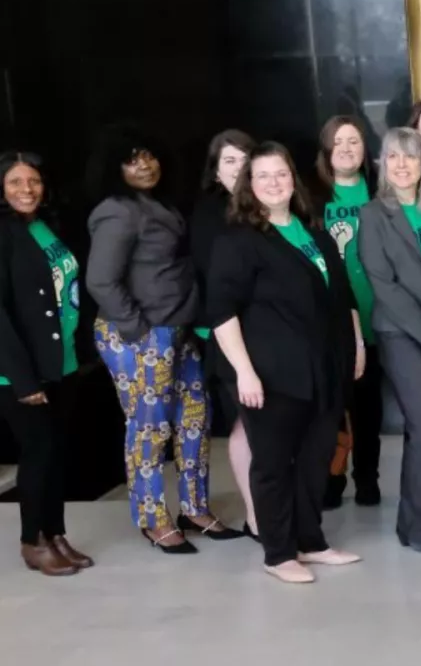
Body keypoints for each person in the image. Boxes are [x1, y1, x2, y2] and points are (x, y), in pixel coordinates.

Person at [208, 142, 363, 583]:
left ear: (293, 179)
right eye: (263, 176)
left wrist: (356, 345)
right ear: (248, 186)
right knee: (274, 463)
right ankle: (278, 553)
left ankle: (311, 542)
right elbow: (221, 312)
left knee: (316, 459)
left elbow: (341, 298)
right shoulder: (238, 241)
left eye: (281, 174)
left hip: (323, 369)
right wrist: (244, 371)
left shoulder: (313, 232)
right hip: (272, 374)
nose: (274, 183)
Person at [84, 124, 223, 553]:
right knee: (149, 428)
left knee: (194, 419)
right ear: (115, 166)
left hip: (177, 332)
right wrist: (140, 333)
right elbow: (100, 282)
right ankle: (151, 517)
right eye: (132, 158)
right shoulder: (118, 210)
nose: (144, 164)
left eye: (149, 155)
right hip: (140, 335)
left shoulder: (159, 204)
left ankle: (195, 508)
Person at [358, 127, 421, 554]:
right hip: (403, 334)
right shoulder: (372, 214)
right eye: (393, 157)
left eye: (410, 157)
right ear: (383, 165)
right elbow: (383, 284)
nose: (401, 165)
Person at [0, 151, 95, 574]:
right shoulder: (3, 234)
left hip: (62, 363)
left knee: (56, 452)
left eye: (33, 181)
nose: (26, 190)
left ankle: (54, 534)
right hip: (20, 372)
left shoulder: (44, 227)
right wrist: (23, 379)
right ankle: (31, 540)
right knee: (38, 452)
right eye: (15, 182)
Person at [188, 129, 259, 533]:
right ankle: (255, 514)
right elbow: (213, 283)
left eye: (244, 159)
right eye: (228, 161)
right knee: (245, 424)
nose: (239, 167)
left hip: (269, 332)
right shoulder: (207, 216)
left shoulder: (262, 206)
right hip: (228, 335)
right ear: (215, 171)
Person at [313, 115, 383, 510]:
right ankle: (332, 478)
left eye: (354, 142)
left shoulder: (379, 191)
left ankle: (368, 478)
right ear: (326, 149)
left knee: (368, 407)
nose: (346, 149)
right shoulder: (311, 194)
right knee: (332, 408)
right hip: (330, 320)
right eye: (338, 142)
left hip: (377, 316)